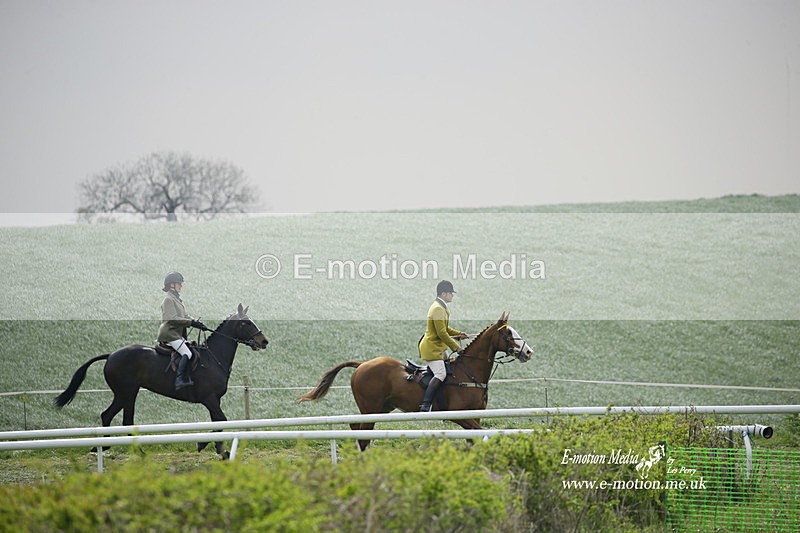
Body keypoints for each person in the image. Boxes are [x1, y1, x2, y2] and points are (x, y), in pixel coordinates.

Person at [417, 280, 468, 411]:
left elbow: (444, 328)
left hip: (438, 347)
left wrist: (459, 334)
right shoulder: (438, 308)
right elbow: (441, 333)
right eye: (451, 293)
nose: (452, 296)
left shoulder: (441, 306)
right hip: (432, 348)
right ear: (444, 293)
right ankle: (426, 404)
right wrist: (456, 347)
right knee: (441, 374)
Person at [157, 272, 208, 390]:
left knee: (191, 349)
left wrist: (196, 322)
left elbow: (185, 315)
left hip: (176, 334)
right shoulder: (168, 300)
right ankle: (179, 380)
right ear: (171, 285)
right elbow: (172, 319)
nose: (181, 286)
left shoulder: (177, 299)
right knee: (187, 353)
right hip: (169, 333)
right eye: (179, 283)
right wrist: (190, 323)